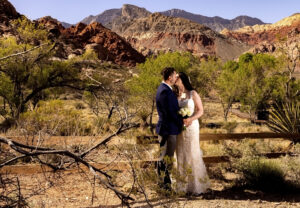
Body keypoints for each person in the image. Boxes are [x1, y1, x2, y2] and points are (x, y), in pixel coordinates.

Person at [175, 72, 210, 195]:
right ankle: (181, 185)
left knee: (191, 152)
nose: (175, 79)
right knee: (180, 153)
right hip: (179, 127)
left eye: (177, 77)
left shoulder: (193, 93)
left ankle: (195, 185)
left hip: (191, 125)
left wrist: (191, 119)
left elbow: (201, 111)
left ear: (182, 79)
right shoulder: (176, 94)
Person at [156, 67, 183, 191]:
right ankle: (164, 185)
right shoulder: (163, 91)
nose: (176, 76)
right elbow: (169, 112)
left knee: (167, 157)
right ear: (169, 77)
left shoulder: (167, 89)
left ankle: (164, 184)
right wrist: (180, 122)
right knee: (165, 157)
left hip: (170, 128)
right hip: (167, 129)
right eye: (174, 75)